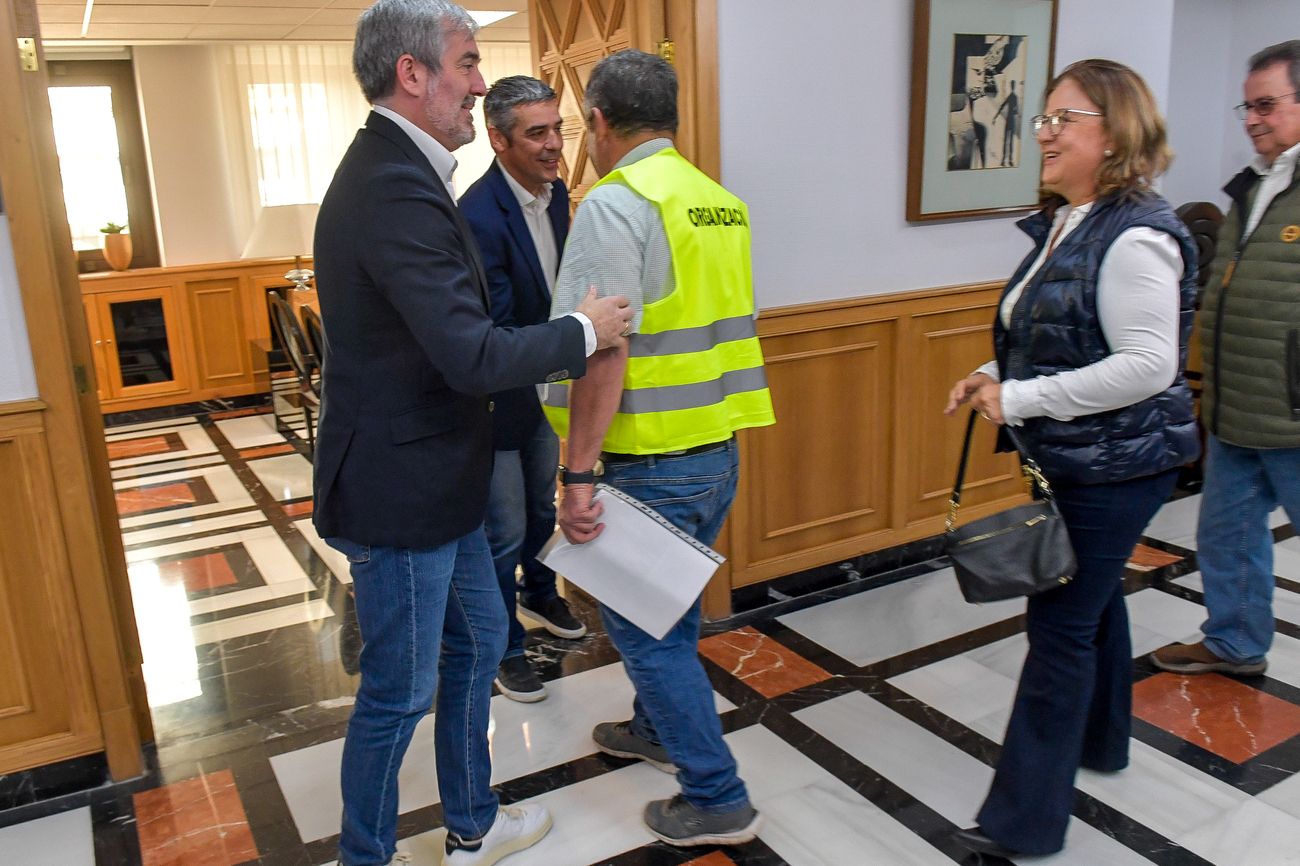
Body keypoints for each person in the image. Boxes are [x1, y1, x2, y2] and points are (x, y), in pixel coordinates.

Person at [311, 1, 632, 863]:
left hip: (436, 477)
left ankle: (472, 824)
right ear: (412, 73)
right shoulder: (389, 184)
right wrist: (584, 332)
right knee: (398, 691)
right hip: (399, 492)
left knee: (479, 641)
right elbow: (468, 351)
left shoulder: (408, 171)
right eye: (468, 62)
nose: (479, 83)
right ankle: (364, 857)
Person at [943, 58, 1200, 858]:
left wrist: (1016, 401)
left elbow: (1148, 365)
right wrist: (992, 373)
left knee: (1059, 623)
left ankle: (1023, 825)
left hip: (1121, 464)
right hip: (1083, 452)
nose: (1043, 134)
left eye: (1063, 119)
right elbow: (1051, 333)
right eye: (1042, 119)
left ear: (1114, 133)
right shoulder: (1070, 218)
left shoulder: (1138, 235)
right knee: (1094, 603)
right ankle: (1102, 743)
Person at [542, 50, 776, 848]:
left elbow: (601, 350)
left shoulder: (617, 204)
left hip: (648, 462)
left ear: (599, 123)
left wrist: (576, 474)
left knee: (649, 634)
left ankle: (717, 795)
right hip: (714, 450)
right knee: (667, 613)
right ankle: (654, 730)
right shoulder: (718, 202)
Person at [1152, 40, 1300, 679]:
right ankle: (1235, 643)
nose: (1250, 118)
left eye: (1266, 104)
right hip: (1237, 407)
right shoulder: (1256, 185)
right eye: (1248, 105)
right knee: (1227, 536)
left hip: (1294, 416)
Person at [459, 75, 587, 705]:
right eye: (537, 133)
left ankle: (541, 593)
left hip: (548, 387)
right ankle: (504, 644)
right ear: (498, 139)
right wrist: (577, 335)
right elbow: (501, 326)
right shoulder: (477, 215)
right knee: (502, 530)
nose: (553, 145)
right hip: (500, 399)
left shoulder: (557, 193)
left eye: (557, 128)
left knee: (543, 508)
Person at [994, 80, 1020, 166]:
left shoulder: (1012, 97)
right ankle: (1008, 160)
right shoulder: (1014, 97)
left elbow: (1002, 106)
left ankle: (1007, 160)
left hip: (1010, 120)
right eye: (1012, 85)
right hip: (1011, 120)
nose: (1012, 86)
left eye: (1012, 85)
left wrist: (995, 116)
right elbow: (1015, 111)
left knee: (1008, 141)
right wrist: (995, 117)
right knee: (1008, 141)